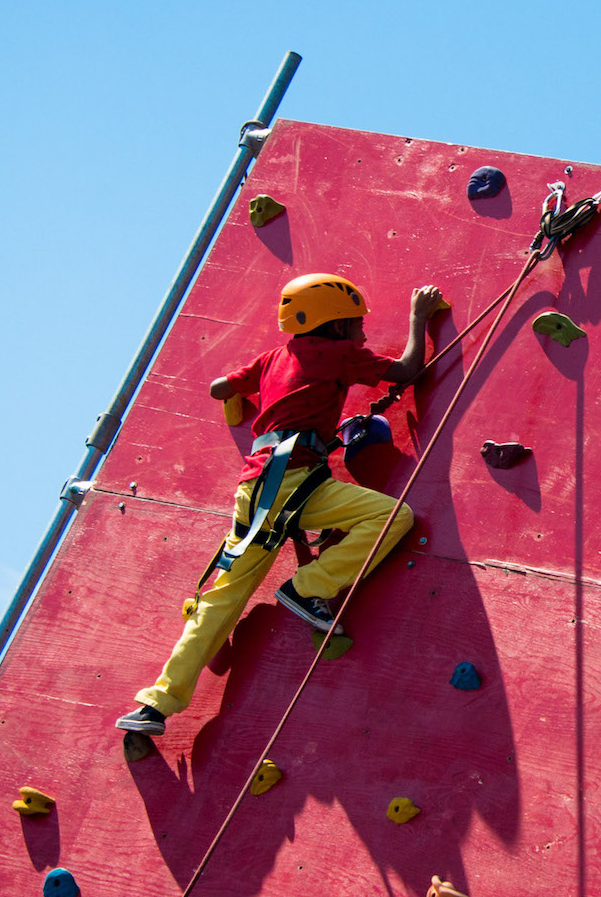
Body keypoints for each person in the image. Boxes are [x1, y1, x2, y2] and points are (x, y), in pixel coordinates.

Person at [117, 271, 446, 737]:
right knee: (392, 516)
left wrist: (243, 390)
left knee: (221, 598)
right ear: (335, 328)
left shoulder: (274, 357)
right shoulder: (336, 354)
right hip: (295, 483)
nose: (363, 333)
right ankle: (308, 586)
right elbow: (410, 371)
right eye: (355, 324)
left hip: (253, 489)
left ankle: (155, 705)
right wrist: (419, 319)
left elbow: (220, 386)